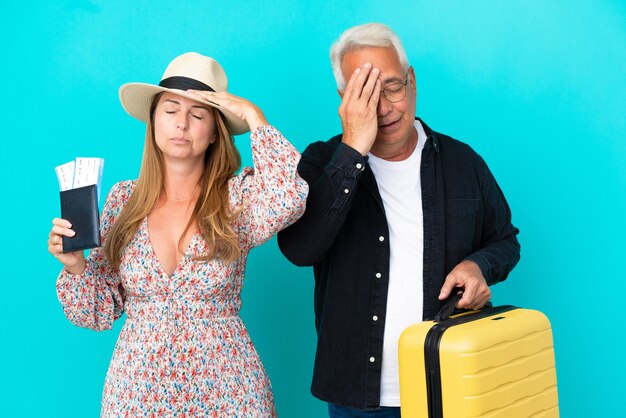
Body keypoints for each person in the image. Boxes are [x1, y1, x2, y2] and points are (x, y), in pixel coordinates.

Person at [277, 23, 521, 417]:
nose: (385, 108)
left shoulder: (463, 163)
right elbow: (300, 247)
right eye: (367, 95)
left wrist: (478, 266)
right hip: (357, 393)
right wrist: (353, 147)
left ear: (412, 81)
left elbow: (506, 240)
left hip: (450, 381)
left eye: (392, 87)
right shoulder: (322, 162)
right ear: (345, 99)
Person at [48, 52, 308, 417]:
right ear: (153, 121)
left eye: (198, 114)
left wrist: (254, 118)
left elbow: (291, 197)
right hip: (135, 395)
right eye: (170, 110)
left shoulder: (236, 198)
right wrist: (76, 265)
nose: (181, 124)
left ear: (216, 131)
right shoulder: (123, 201)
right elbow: (98, 311)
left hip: (230, 392)